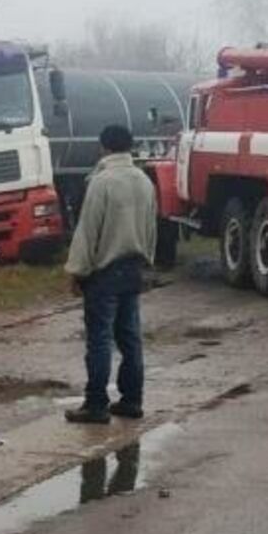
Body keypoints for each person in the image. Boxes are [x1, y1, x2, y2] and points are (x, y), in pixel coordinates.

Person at [63, 124, 158, 425]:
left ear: (103, 147)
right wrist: (147, 263)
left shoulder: (101, 182)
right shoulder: (143, 181)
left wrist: (76, 271)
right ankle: (132, 400)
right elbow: (151, 226)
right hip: (134, 267)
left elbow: (88, 231)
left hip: (105, 272)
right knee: (130, 338)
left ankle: (95, 404)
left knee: (100, 339)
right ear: (129, 146)